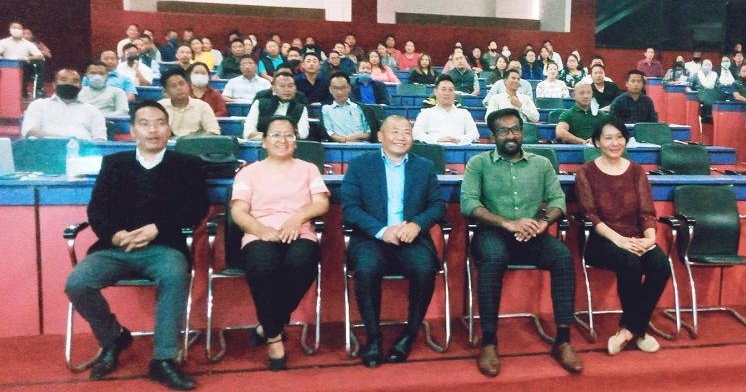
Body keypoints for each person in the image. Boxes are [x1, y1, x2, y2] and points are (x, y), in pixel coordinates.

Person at [63, 101, 208, 390]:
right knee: (77, 283)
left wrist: (157, 229)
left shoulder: (187, 165)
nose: (153, 129)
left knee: (174, 274)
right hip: (115, 247)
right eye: (145, 123)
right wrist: (116, 235)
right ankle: (114, 337)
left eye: (160, 123)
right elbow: (97, 210)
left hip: (164, 247)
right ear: (133, 131)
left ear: (169, 128)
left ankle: (163, 360)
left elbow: (196, 207)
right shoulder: (115, 164)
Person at [461, 108, 583, 377]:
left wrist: (542, 222)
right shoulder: (478, 164)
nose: (511, 135)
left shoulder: (541, 164)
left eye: (515, 129)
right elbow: (469, 204)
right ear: (492, 136)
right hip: (493, 233)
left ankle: (562, 340)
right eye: (503, 131)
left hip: (533, 233)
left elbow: (557, 201)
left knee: (563, 257)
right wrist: (507, 223)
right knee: (492, 258)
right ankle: (490, 341)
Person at [341, 115, 445, 368]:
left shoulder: (424, 166)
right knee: (366, 270)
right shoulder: (359, 165)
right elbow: (350, 209)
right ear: (380, 136)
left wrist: (416, 224)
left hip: (411, 237)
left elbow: (437, 206)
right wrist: (380, 231)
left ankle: (409, 334)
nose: (401, 137)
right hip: (371, 238)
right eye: (395, 132)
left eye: (407, 132)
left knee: (424, 268)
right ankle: (373, 337)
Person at [230, 115, 329, 371]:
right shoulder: (248, 172)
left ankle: (268, 325)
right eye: (276, 134)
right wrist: (261, 229)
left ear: (295, 141)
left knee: (303, 264)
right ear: (263, 141)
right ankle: (274, 337)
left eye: (288, 135)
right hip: (259, 233)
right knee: (264, 268)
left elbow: (321, 203)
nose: (282, 140)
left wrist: (298, 217)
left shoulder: (308, 168)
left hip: (300, 231)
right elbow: (239, 211)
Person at [575, 117, 670, 355]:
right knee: (630, 264)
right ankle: (640, 330)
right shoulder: (585, 172)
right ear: (597, 141)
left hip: (636, 237)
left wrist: (650, 239)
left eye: (619, 137)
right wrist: (618, 240)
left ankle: (629, 329)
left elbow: (647, 212)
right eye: (608, 138)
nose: (615, 143)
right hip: (601, 240)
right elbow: (591, 215)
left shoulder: (637, 171)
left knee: (660, 266)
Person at [22, 68, 106, 140]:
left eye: (75, 81)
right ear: (54, 85)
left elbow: (100, 138)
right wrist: (65, 141)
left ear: (80, 87)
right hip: (47, 152)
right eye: (64, 80)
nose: (69, 83)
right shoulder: (39, 105)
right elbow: (30, 131)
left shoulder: (92, 110)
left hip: (84, 154)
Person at [412, 75, 479, 145]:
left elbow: (474, 134)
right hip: (434, 150)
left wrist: (459, 140)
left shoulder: (464, 113)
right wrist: (436, 140)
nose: (447, 93)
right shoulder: (426, 113)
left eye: (450, 90)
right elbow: (416, 134)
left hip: (459, 150)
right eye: (443, 89)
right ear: (435, 92)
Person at [244, 73, 310, 140]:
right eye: (282, 86)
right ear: (273, 88)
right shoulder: (259, 104)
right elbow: (248, 133)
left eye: (290, 86)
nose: (287, 90)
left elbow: (302, 135)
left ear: (295, 88)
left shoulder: (301, 108)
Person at [157, 69, 220, 137]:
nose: (179, 88)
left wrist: (192, 141)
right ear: (166, 92)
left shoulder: (202, 106)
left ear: (188, 86)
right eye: (173, 86)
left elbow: (214, 131)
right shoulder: (159, 107)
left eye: (181, 84)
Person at [318, 72, 373, 143]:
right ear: (330, 90)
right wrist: (344, 140)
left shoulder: (360, 108)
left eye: (343, 88)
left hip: (362, 146)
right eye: (335, 88)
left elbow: (369, 133)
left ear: (349, 88)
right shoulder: (326, 109)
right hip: (337, 147)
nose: (339, 92)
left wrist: (354, 137)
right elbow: (329, 132)